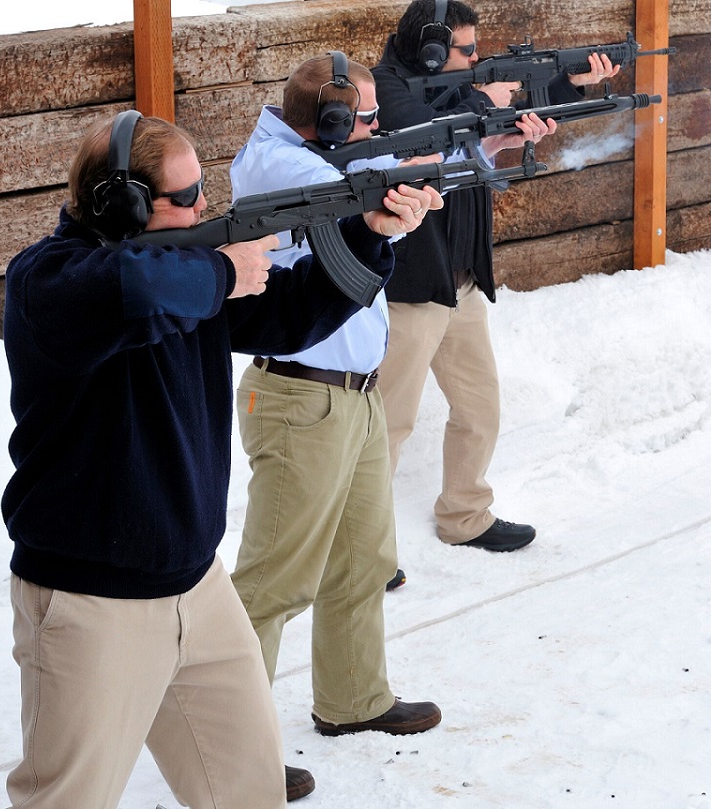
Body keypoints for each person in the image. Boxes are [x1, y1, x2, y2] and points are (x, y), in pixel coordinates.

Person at [1, 110, 436, 809]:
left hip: (199, 589)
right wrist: (221, 268)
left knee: (249, 788)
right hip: (92, 604)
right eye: (188, 196)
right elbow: (135, 292)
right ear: (124, 206)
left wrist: (371, 235)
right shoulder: (49, 282)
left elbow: (292, 315)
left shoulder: (187, 278)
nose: (207, 205)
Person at [228, 52, 453, 792]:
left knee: (364, 558)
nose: (374, 128)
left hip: (353, 395)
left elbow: (381, 165)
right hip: (298, 398)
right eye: (361, 118)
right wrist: (406, 179)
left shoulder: (324, 154)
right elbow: (353, 190)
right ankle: (232, 746)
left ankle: (353, 699)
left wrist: (486, 140)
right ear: (324, 123)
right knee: (272, 582)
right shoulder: (277, 166)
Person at [372, 0, 619, 556]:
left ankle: (464, 514)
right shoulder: (385, 88)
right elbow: (422, 134)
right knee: (387, 426)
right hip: (410, 288)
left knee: (479, 406)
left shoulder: (454, 87)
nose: (477, 59)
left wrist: (568, 82)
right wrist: (485, 99)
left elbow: (499, 119)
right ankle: (361, 552)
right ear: (431, 50)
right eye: (467, 51)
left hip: (460, 278)